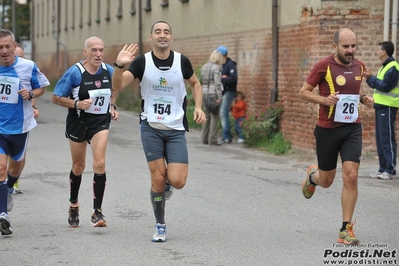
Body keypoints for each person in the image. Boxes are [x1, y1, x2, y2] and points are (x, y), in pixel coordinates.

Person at [112, 21, 206, 242]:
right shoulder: (141, 62)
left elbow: (196, 83)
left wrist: (199, 106)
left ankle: (166, 186)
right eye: (158, 32)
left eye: (166, 32)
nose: (162, 35)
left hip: (175, 129)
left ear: (171, 38)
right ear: (151, 37)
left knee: (178, 181)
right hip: (151, 127)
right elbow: (118, 85)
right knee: (157, 178)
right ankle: (160, 225)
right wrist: (119, 66)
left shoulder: (181, 60)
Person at [299, 28, 374, 245]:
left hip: (352, 128)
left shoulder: (359, 66)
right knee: (327, 181)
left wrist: (363, 99)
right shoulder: (324, 65)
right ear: (335, 47)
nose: (350, 51)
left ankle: (345, 229)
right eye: (346, 46)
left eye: (353, 46)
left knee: (351, 174)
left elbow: (351, 94)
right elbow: (304, 91)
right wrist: (324, 101)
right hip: (327, 129)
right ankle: (313, 176)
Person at [52, 36, 119, 228]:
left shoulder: (109, 71)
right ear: (85, 52)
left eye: (101, 50)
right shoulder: (75, 72)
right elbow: (56, 97)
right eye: (94, 50)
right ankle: (73, 204)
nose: (98, 54)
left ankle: (97, 212)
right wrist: (77, 104)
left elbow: (116, 87)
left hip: (100, 122)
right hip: (78, 122)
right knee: (78, 166)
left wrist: (112, 105)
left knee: (99, 163)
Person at [0, 29, 49, 236]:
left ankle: (9, 188)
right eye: (0, 48)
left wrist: (30, 94)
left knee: (15, 169)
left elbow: (42, 89)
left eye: (7, 46)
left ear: (14, 46)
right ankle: (3, 215)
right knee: (1, 168)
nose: (4, 51)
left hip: (20, 127)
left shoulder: (28, 67)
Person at [364, 41, 399, 180]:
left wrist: (370, 78)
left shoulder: (393, 67)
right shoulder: (385, 67)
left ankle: (389, 170)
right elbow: (378, 85)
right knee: (380, 139)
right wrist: (369, 78)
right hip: (380, 106)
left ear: (384, 52)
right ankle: (382, 168)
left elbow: (385, 86)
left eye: (379, 50)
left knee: (387, 139)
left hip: (388, 106)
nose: (377, 52)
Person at [12, 45, 39, 194]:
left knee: (20, 154)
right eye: (17, 57)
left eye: (22, 57)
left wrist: (34, 108)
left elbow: (32, 93)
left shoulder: (27, 71)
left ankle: (14, 179)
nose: (20, 60)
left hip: (22, 119)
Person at [200, 50, 223, 146]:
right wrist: (220, 96)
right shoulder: (216, 67)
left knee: (206, 116)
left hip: (204, 93)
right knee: (214, 116)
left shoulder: (204, 67)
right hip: (213, 93)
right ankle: (212, 139)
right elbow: (217, 83)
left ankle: (204, 138)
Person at [216, 45, 237, 145]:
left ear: (221, 55)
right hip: (224, 91)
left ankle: (226, 136)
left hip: (229, 91)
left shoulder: (230, 64)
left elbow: (234, 78)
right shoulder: (222, 65)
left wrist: (223, 79)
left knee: (223, 113)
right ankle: (227, 135)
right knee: (223, 113)